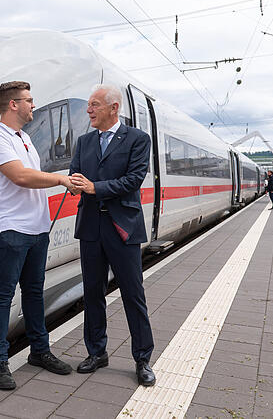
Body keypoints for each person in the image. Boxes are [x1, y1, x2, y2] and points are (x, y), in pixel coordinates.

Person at [0, 81, 75, 390]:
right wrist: (61, 180)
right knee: (3, 295)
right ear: (13, 105)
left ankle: (39, 351)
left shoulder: (25, 138)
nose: (33, 105)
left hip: (36, 230)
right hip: (9, 230)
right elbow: (20, 176)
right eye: (29, 100)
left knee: (34, 292)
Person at [67, 84, 156, 387]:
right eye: (89, 105)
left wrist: (94, 187)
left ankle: (142, 358)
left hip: (123, 227)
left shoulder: (137, 139)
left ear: (113, 108)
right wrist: (74, 184)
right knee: (92, 292)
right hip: (91, 227)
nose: (88, 110)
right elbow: (75, 174)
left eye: (94, 104)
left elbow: (133, 180)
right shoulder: (84, 142)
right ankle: (96, 352)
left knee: (133, 293)